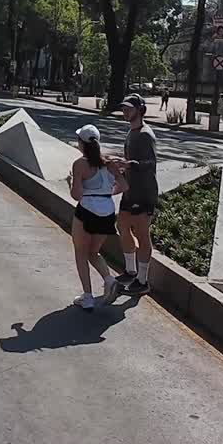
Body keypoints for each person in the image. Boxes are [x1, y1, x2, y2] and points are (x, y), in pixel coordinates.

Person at [70, 124, 130, 310]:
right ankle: (109, 280)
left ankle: (87, 297)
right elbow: (124, 186)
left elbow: (76, 195)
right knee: (93, 252)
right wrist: (106, 192)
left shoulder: (80, 164)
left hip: (87, 211)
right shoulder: (109, 164)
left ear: (81, 143)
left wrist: (71, 181)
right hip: (107, 212)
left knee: (81, 252)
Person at [115, 94, 158, 295]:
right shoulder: (131, 132)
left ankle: (142, 281)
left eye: (129, 108)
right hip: (130, 190)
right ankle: (130, 270)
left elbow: (151, 165)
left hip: (144, 193)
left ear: (140, 109)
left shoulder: (145, 134)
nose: (125, 111)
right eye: (124, 108)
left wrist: (129, 164)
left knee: (142, 234)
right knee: (122, 225)